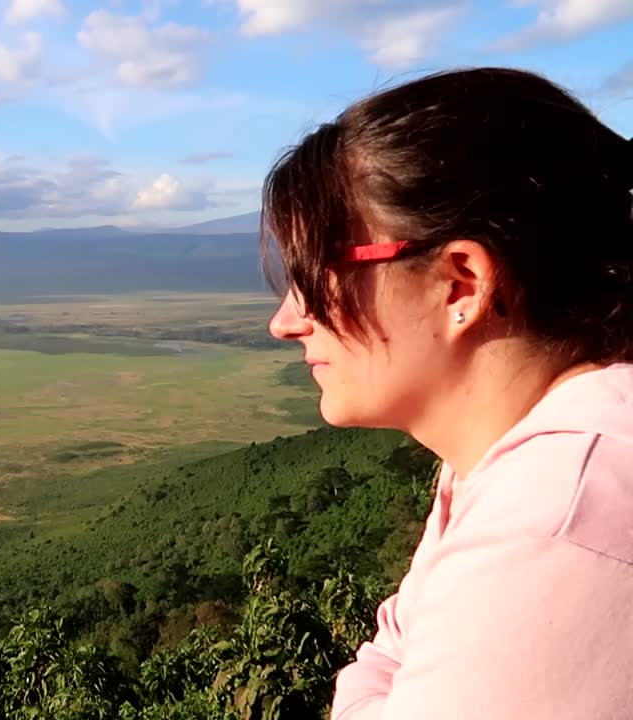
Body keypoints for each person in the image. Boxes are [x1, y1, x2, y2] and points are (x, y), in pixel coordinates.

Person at [263, 67, 633, 719]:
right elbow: (386, 653)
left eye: (316, 277)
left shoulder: (554, 521)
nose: (286, 321)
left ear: (461, 284)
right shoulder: (512, 462)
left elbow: (380, 671)